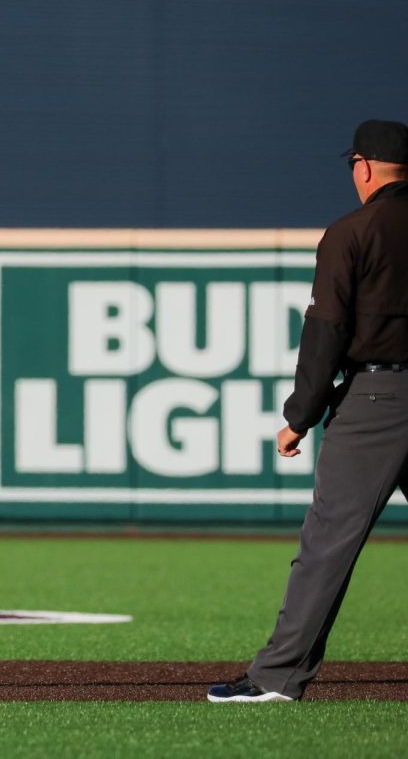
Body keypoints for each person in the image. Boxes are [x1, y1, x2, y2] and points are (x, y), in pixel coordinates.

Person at [208, 119, 408, 703]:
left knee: (329, 541)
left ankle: (276, 677)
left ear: (364, 168)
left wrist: (301, 414)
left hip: (379, 398)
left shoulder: (354, 230)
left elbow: (327, 331)